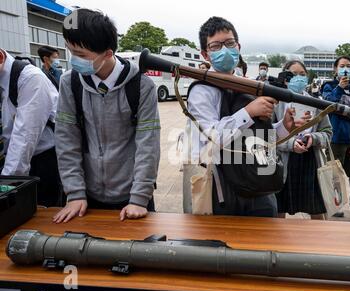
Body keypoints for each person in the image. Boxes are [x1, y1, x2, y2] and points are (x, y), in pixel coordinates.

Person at [182, 16, 309, 217]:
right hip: (222, 190)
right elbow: (213, 137)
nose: (224, 49)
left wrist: (284, 126)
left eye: (229, 43)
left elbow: (260, 138)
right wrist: (249, 111)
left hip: (259, 185)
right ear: (205, 54)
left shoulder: (248, 85)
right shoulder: (201, 91)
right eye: (216, 46)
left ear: (238, 46)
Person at [53, 9, 160, 223]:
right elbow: (66, 140)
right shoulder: (70, 83)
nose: (74, 60)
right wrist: (74, 193)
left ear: (108, 53)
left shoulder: (142, 86)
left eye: (81, 55)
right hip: (86, 199)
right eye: (70, 51)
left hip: (132, 198)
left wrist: (139, 198)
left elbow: (147, 144)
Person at [0, 48, 61, 207]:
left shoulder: (30, 78)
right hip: (12, 163)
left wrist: (6, 186)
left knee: (41, 219)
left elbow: (25, 137)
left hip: (41, 163)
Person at [273, 61, 332, 219]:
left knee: (316, 209)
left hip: (310, 162)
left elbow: (327, 132)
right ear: (285, 77)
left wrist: (313, 138)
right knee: (279, 208)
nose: (298, 78)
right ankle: (277, 243)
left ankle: (316, 243)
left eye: (302, 74)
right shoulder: (275, 103)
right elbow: (266, 135)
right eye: (293, 74)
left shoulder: (316, 103)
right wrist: (291, 144)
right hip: (282, 163)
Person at [321, 56, 350, 216]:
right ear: (335, 69)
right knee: (334, 174)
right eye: (342, 66)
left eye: (348, 66)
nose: (345, 69)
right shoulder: (328, 86)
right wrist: (338, 88)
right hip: (335, 138)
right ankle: (334, 206)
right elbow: (327, 103)